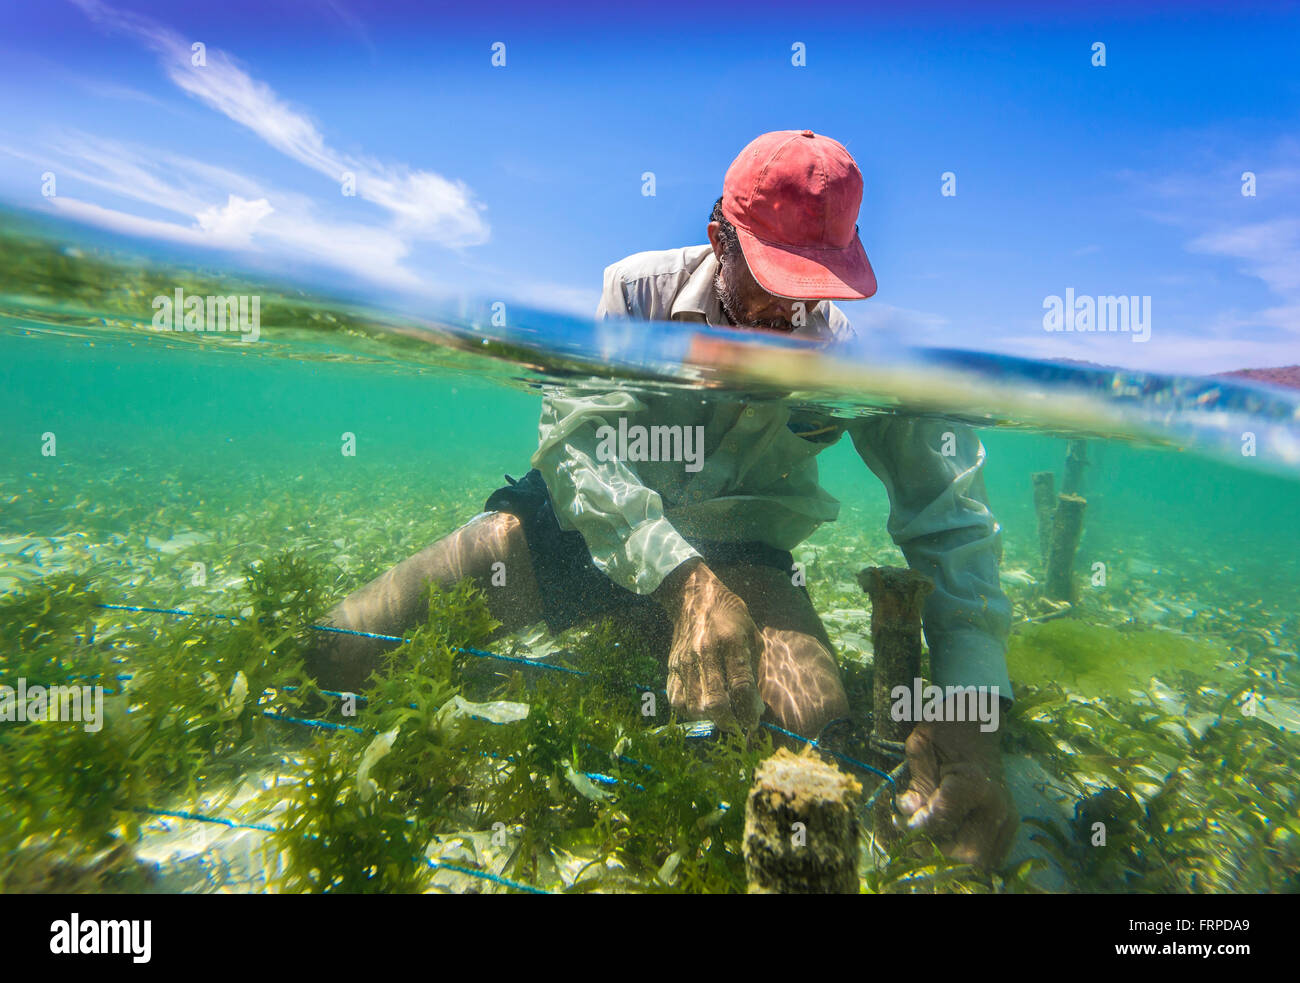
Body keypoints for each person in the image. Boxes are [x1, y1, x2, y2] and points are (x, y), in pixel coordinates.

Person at [308, 130, 1018, 867]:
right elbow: (577, 450)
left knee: (818, 730)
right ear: (720, 239)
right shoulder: (635, 292)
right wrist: (683, 587)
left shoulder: (850, 354)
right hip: (588, 528)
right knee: (343, 649)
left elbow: (952, 520)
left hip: (746, 555)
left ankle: (660, 635)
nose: (793, 314)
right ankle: (648, 620)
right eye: (775, 279)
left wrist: (976, 714)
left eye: (818, 285)